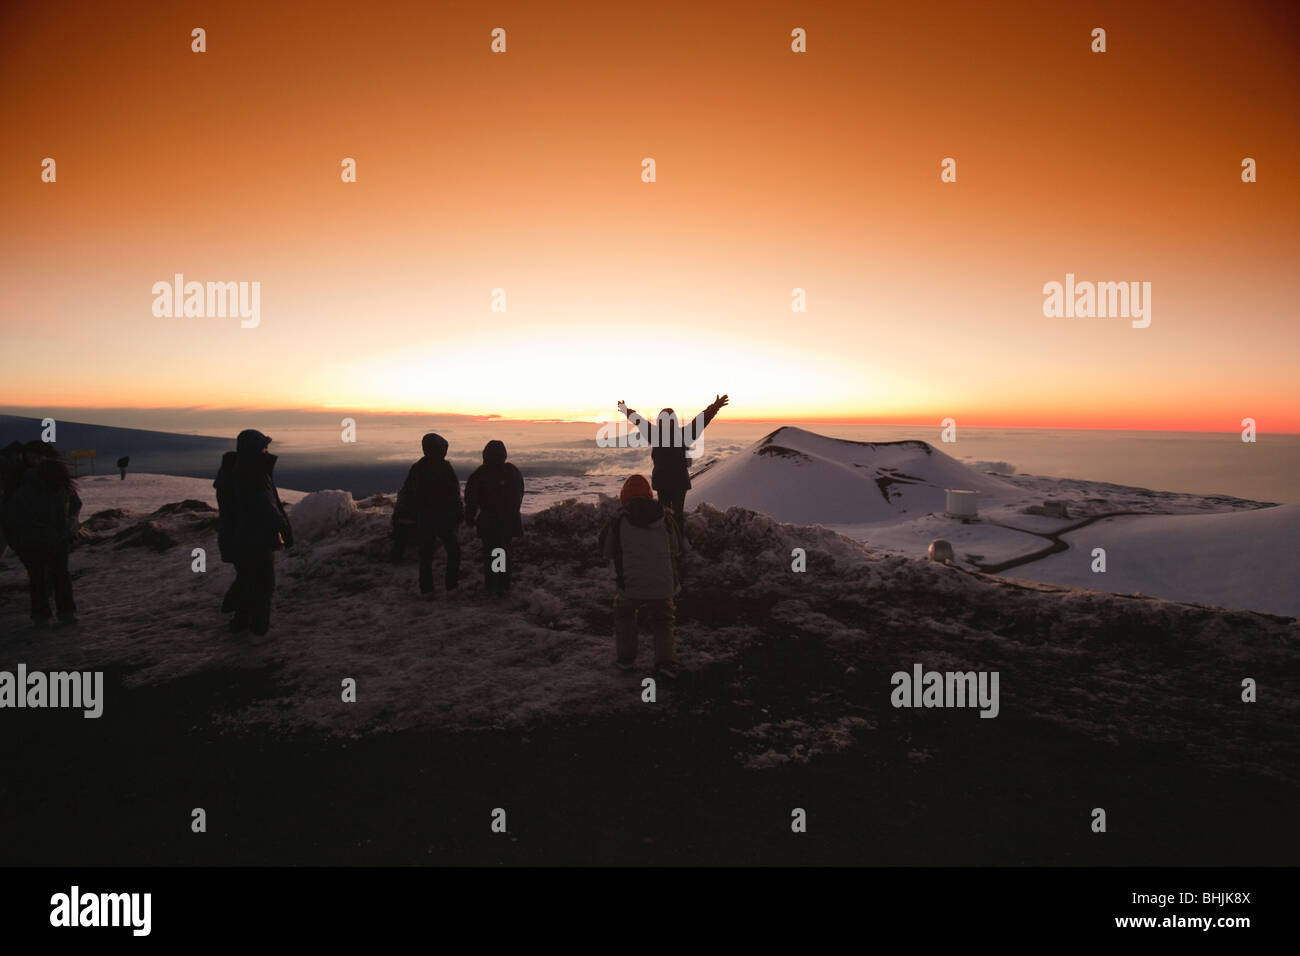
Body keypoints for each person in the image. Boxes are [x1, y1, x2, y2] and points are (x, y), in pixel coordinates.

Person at [598, 474, 682, 677]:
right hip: (663, 584)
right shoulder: (666, 516)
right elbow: (677, 549)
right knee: (663, 620)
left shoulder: (618, 520)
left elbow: (606, 552)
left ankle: (626, 660)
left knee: (625, 615)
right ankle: (665, 662)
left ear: (624, 496)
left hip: (630, 584)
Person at [214, 429, 293, 636]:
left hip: (234, 538)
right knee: (264, 584)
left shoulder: (230, 472)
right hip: (256, 539)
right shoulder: (253, 475)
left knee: (247, 578)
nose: (266, 451)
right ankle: (259, 629)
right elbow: (267, 509)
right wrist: (285, 531)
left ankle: (240, 620)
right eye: (263, 448)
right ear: (253, 450)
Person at [618, 394, 728, 528]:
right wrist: (625, 410)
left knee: (669, 516)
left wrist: (715, 407)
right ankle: (675, 543)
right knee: (671, 516)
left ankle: (672, 543)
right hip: (675, 482)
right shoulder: (677, 434)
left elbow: (702, 419)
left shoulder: (657, 434)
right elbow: (638, 420)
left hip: (668, 481)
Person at [4, 441, 81, 627]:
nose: (36, 459)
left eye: (39, 455)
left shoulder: (23, 483)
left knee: (41, 576)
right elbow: (72, 506)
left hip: (35, 539)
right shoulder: (57, 482)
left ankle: (43, 615)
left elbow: (11, 514)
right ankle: (63, 612)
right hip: (50, 538)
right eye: (33, 455)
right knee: (56, 575)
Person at [398, 433, 462, 598]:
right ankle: (451, 587)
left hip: (425, 518)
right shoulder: (445, 468)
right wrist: (458, 512)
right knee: (453, 552)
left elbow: (407, 493)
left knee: (426, 555)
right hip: (444, 519)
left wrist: (404, 513)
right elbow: (454, 493)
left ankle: (427, 590)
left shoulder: (418, 468)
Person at [464, 440, 525, 596]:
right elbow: (519, 494)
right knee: (502, 551)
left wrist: (470, 517)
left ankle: (494, 584)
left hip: (489, 521)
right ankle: (502, 584)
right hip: (508, 519)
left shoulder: (480, 474)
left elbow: (471, 499)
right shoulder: (512, 471)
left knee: (493, 552)